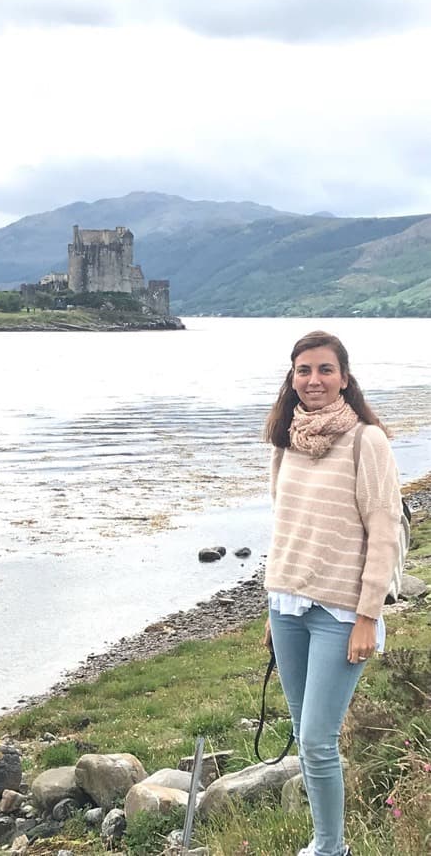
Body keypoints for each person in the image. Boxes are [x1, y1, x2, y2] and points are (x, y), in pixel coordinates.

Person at [263, 331, 402, 856]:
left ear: (344, 377)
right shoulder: (285, 441)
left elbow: (384, 530)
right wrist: (271, 609)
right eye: (303, 370)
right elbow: (284, 527)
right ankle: (326, 843)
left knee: (319, 740)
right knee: (305, 737)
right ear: (292, 377)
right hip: (287, 605)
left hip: (341, 612)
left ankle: (330, 848)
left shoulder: (367, 441)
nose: (313, 380)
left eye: (325, 370)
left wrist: (369, 615)